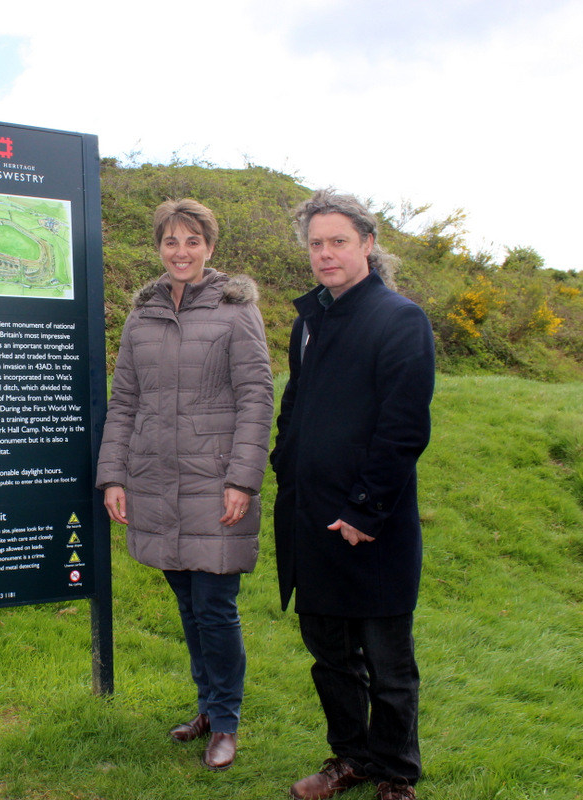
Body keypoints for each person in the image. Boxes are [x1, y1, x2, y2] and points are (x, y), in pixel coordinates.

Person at [97, 198, 274, 772]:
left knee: (215, 604)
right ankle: (207, 706)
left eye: (192, 241)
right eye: (171, 241)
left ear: (210, 247)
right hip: (155, 478)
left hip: (214, 480)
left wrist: (243, 478)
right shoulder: (142, 313)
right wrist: (114, 476)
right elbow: (124, 400)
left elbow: (256, 397)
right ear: (159, 247)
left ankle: (226, 721)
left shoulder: (235, 308)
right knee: (188, 601)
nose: (181, 252)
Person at [271, 189, 435, 800]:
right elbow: (297, 404)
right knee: (331, 657)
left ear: (368, 243)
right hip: (310, 518)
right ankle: (351, 758)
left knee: (388, 664)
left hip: (373, 524)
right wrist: (283, 461)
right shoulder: (309, 318)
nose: (325, 253)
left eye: (338, 241)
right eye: (316, 244)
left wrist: (365, 510)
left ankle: (395, 774)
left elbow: (404, 427)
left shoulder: (399, 318)